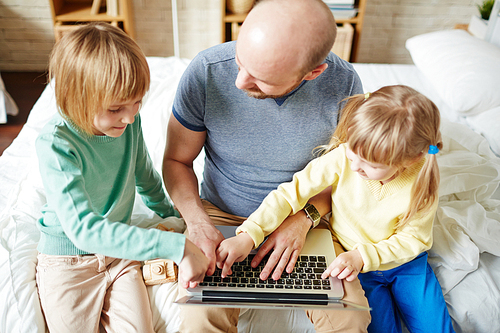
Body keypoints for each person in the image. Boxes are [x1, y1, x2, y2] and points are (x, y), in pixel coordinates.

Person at [163, 0, 370, 331]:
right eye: (241, 61)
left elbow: (347, 176)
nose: (239, 82)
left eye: (260, 78)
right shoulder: (207, 71)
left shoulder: (344, 86)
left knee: (350, 318)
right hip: (220, 215)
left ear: (313, 72)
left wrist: (303, 221)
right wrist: (199, 224)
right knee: (200, 317)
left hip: (304, 217)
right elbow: (176, 160)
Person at [217, 85, 456, 333]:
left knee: (436, 328)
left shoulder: (422, 182)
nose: (355, 167)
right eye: (354, 153)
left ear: (409, 160)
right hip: (354, 264)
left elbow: (414, 238)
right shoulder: (342, 157)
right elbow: (290, 193)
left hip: (406, 264)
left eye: (370, 165)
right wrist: (249, 234)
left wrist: (364, 256)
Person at [35, 22, 208, 333]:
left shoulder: (130, 124)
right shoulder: (56, 144)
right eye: (116, 109)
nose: (129, 118)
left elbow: (145, 176)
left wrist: (176, 218)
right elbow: (83, 230)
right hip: (68, 263)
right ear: (78, 98)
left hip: (120, 254)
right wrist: (175, 246)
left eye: (137, 103)